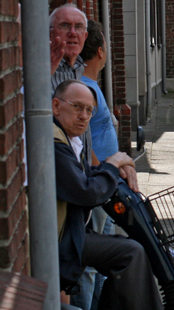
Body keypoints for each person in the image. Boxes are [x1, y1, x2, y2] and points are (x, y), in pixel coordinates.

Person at [53, 79, 164, 310]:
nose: (84, 116)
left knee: (128, 251)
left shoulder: (67, 138)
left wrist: (110, 171)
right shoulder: (54, 142)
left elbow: (81, 176)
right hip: (62, 239)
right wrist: (112, 166)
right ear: (56, 106)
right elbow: (86, 192)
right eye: (76, 107)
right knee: (131, 253)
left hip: (72, 231)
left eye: (89, 110)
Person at [72, 21, 135, 310]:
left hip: (106, 181)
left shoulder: (88, 86)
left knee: (104, 250)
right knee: (95, 259)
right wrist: (108, 171)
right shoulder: (85, 91)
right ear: (100, 52)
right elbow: (87, 144)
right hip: (100, 183)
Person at [51, 4, 89, 93]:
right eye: (65, 25)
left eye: (78, 26)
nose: (73, 33)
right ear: (50, 34)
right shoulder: (40, 68)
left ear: (85, 36)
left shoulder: (79, 66)